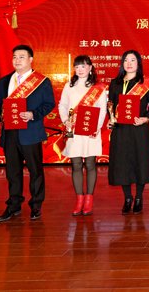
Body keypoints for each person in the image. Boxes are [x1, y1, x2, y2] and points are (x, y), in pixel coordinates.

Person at [0, 45, 55, 222]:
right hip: (10, 133)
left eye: (21, 57)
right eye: (14, 57)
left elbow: (49, 104)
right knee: (12, 172)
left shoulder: (41, 81)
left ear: (30, 59)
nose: (17, 60)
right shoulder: (4, 81)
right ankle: (13, 205)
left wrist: (33, 114)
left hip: (31, 132)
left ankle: (36, 205)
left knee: (35, 171)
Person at [107, 50, 149, 214]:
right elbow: (111, 105)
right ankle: (128, 197)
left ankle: (139, 198)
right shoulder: (115, 83)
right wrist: (111, 119)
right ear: (122, 63)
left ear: (138, 63)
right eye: (126, 60)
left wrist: (146, 118)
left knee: (140, 162)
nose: (129, 63)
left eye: (133, 60)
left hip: (139, 129)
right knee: (122, 163)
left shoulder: (145, 83)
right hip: (120, 129)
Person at [58, 55, 107, 216]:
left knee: (91, 164)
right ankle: (79, 199)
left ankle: (89, 199)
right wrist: (66, 121)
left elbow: (102, 109)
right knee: (76, 164)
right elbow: (63, 105)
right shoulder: (69, 86)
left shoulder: (98, 87)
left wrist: (97, 127)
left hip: (90, 130)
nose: (80, 69)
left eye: (83, 66)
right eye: (77, 66)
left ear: (90, 68)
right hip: (73, 130)